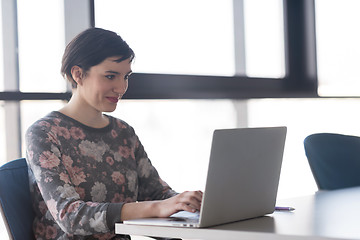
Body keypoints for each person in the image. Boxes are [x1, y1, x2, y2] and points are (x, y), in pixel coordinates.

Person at [25, 27, 203, 240]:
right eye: (111, 76)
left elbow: (158, 195)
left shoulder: (123, 132)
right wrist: (156, 208)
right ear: (78, 74)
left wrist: (194, 204)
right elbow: (70, 216)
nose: (121, 88)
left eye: (125, 76)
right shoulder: (44, 133)